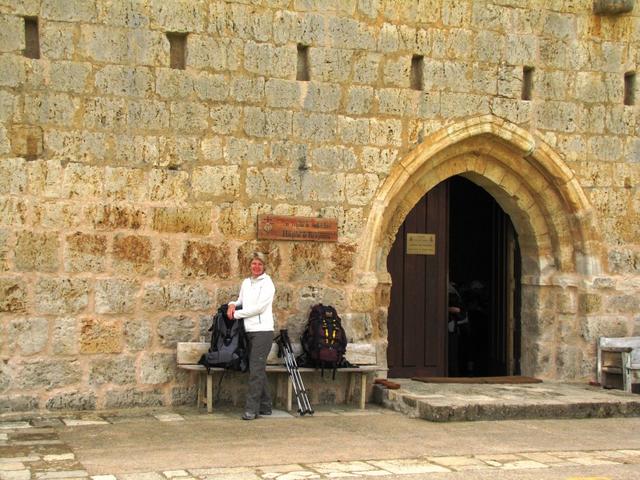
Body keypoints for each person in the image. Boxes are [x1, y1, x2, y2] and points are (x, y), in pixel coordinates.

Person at [227, 252, 275, 420]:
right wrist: (232, 304)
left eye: (260, 264)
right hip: (249, 331)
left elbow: (259, 308)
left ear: (264, 267)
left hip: (263, 332)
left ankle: (251, 409)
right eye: (254, 264)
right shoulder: (246, 283)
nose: (256, 267)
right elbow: (241, 300)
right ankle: (266, 405)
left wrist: (237, 315)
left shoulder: (268, 284)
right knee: (257, 368)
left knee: (255, 370)